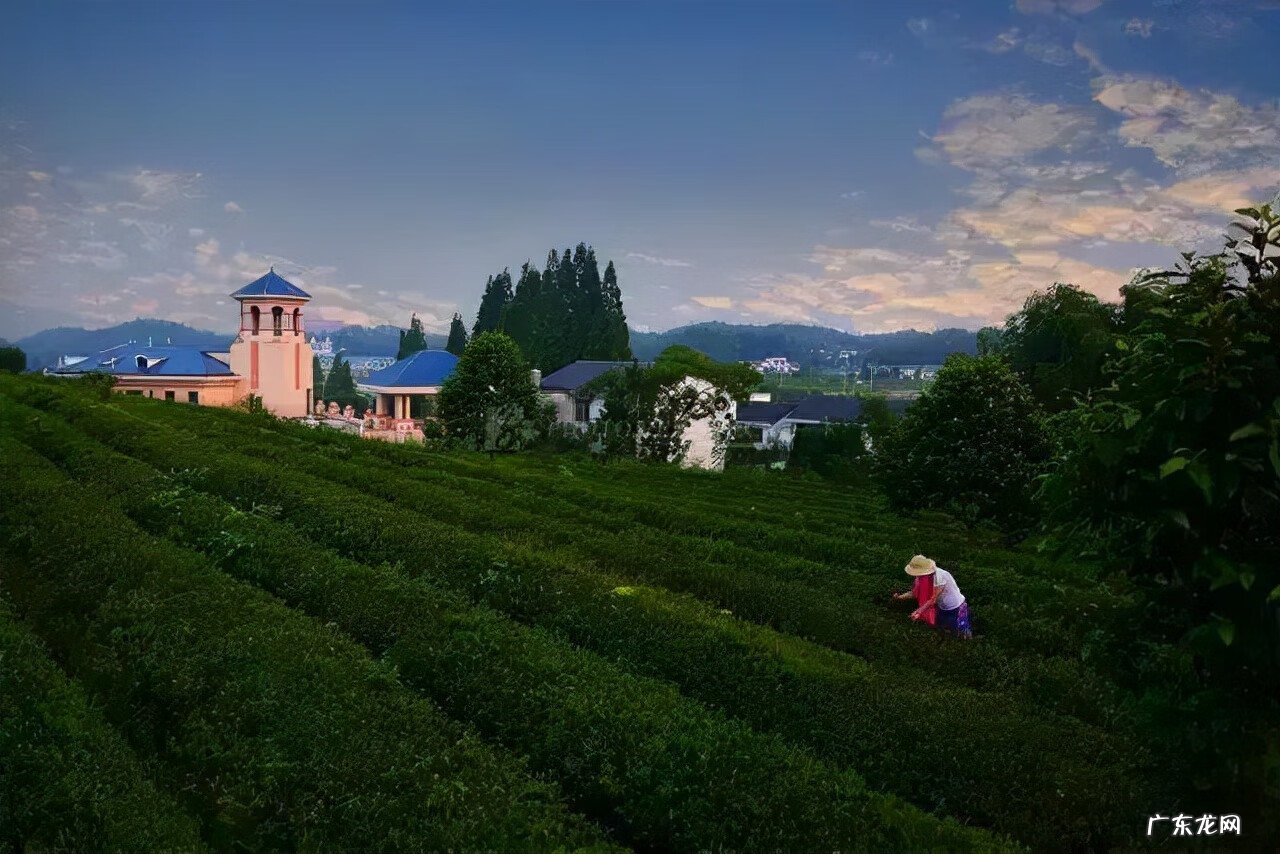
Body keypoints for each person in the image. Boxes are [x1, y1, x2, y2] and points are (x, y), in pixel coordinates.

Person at [897, 554, 972, 639]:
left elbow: (933, 599)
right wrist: (899, 597)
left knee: (960, 631)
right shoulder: (922, 578)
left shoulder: (940, 576)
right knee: (942, 629)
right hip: (942, 606)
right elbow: (914, 593)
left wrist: (918, 611)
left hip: (956, 607)